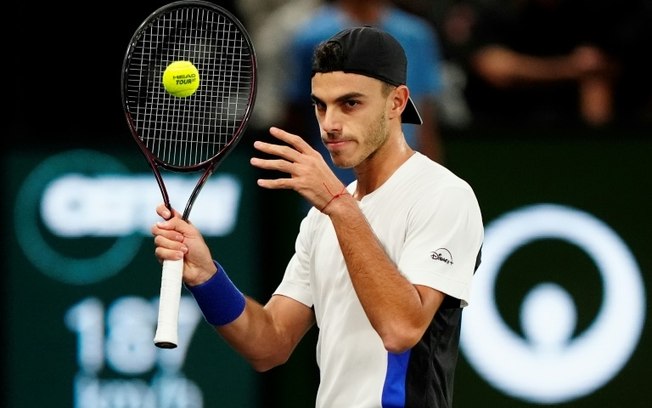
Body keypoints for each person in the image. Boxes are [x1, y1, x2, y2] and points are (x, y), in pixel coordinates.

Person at [152, 26, 484, 407]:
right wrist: (207, 277)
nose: (329, 124)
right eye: (320, 105)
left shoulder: (443, 196)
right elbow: (270, 343)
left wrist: (338, 206)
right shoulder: (321, 219)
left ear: (397, 102)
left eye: (350, 103)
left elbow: (401, 329)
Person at [283, 0, 446, 184]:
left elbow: (425, 121)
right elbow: (298, 113)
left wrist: (431, 179)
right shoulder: (309, 36)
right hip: (331, 179)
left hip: (402, 180)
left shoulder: (417, 35)